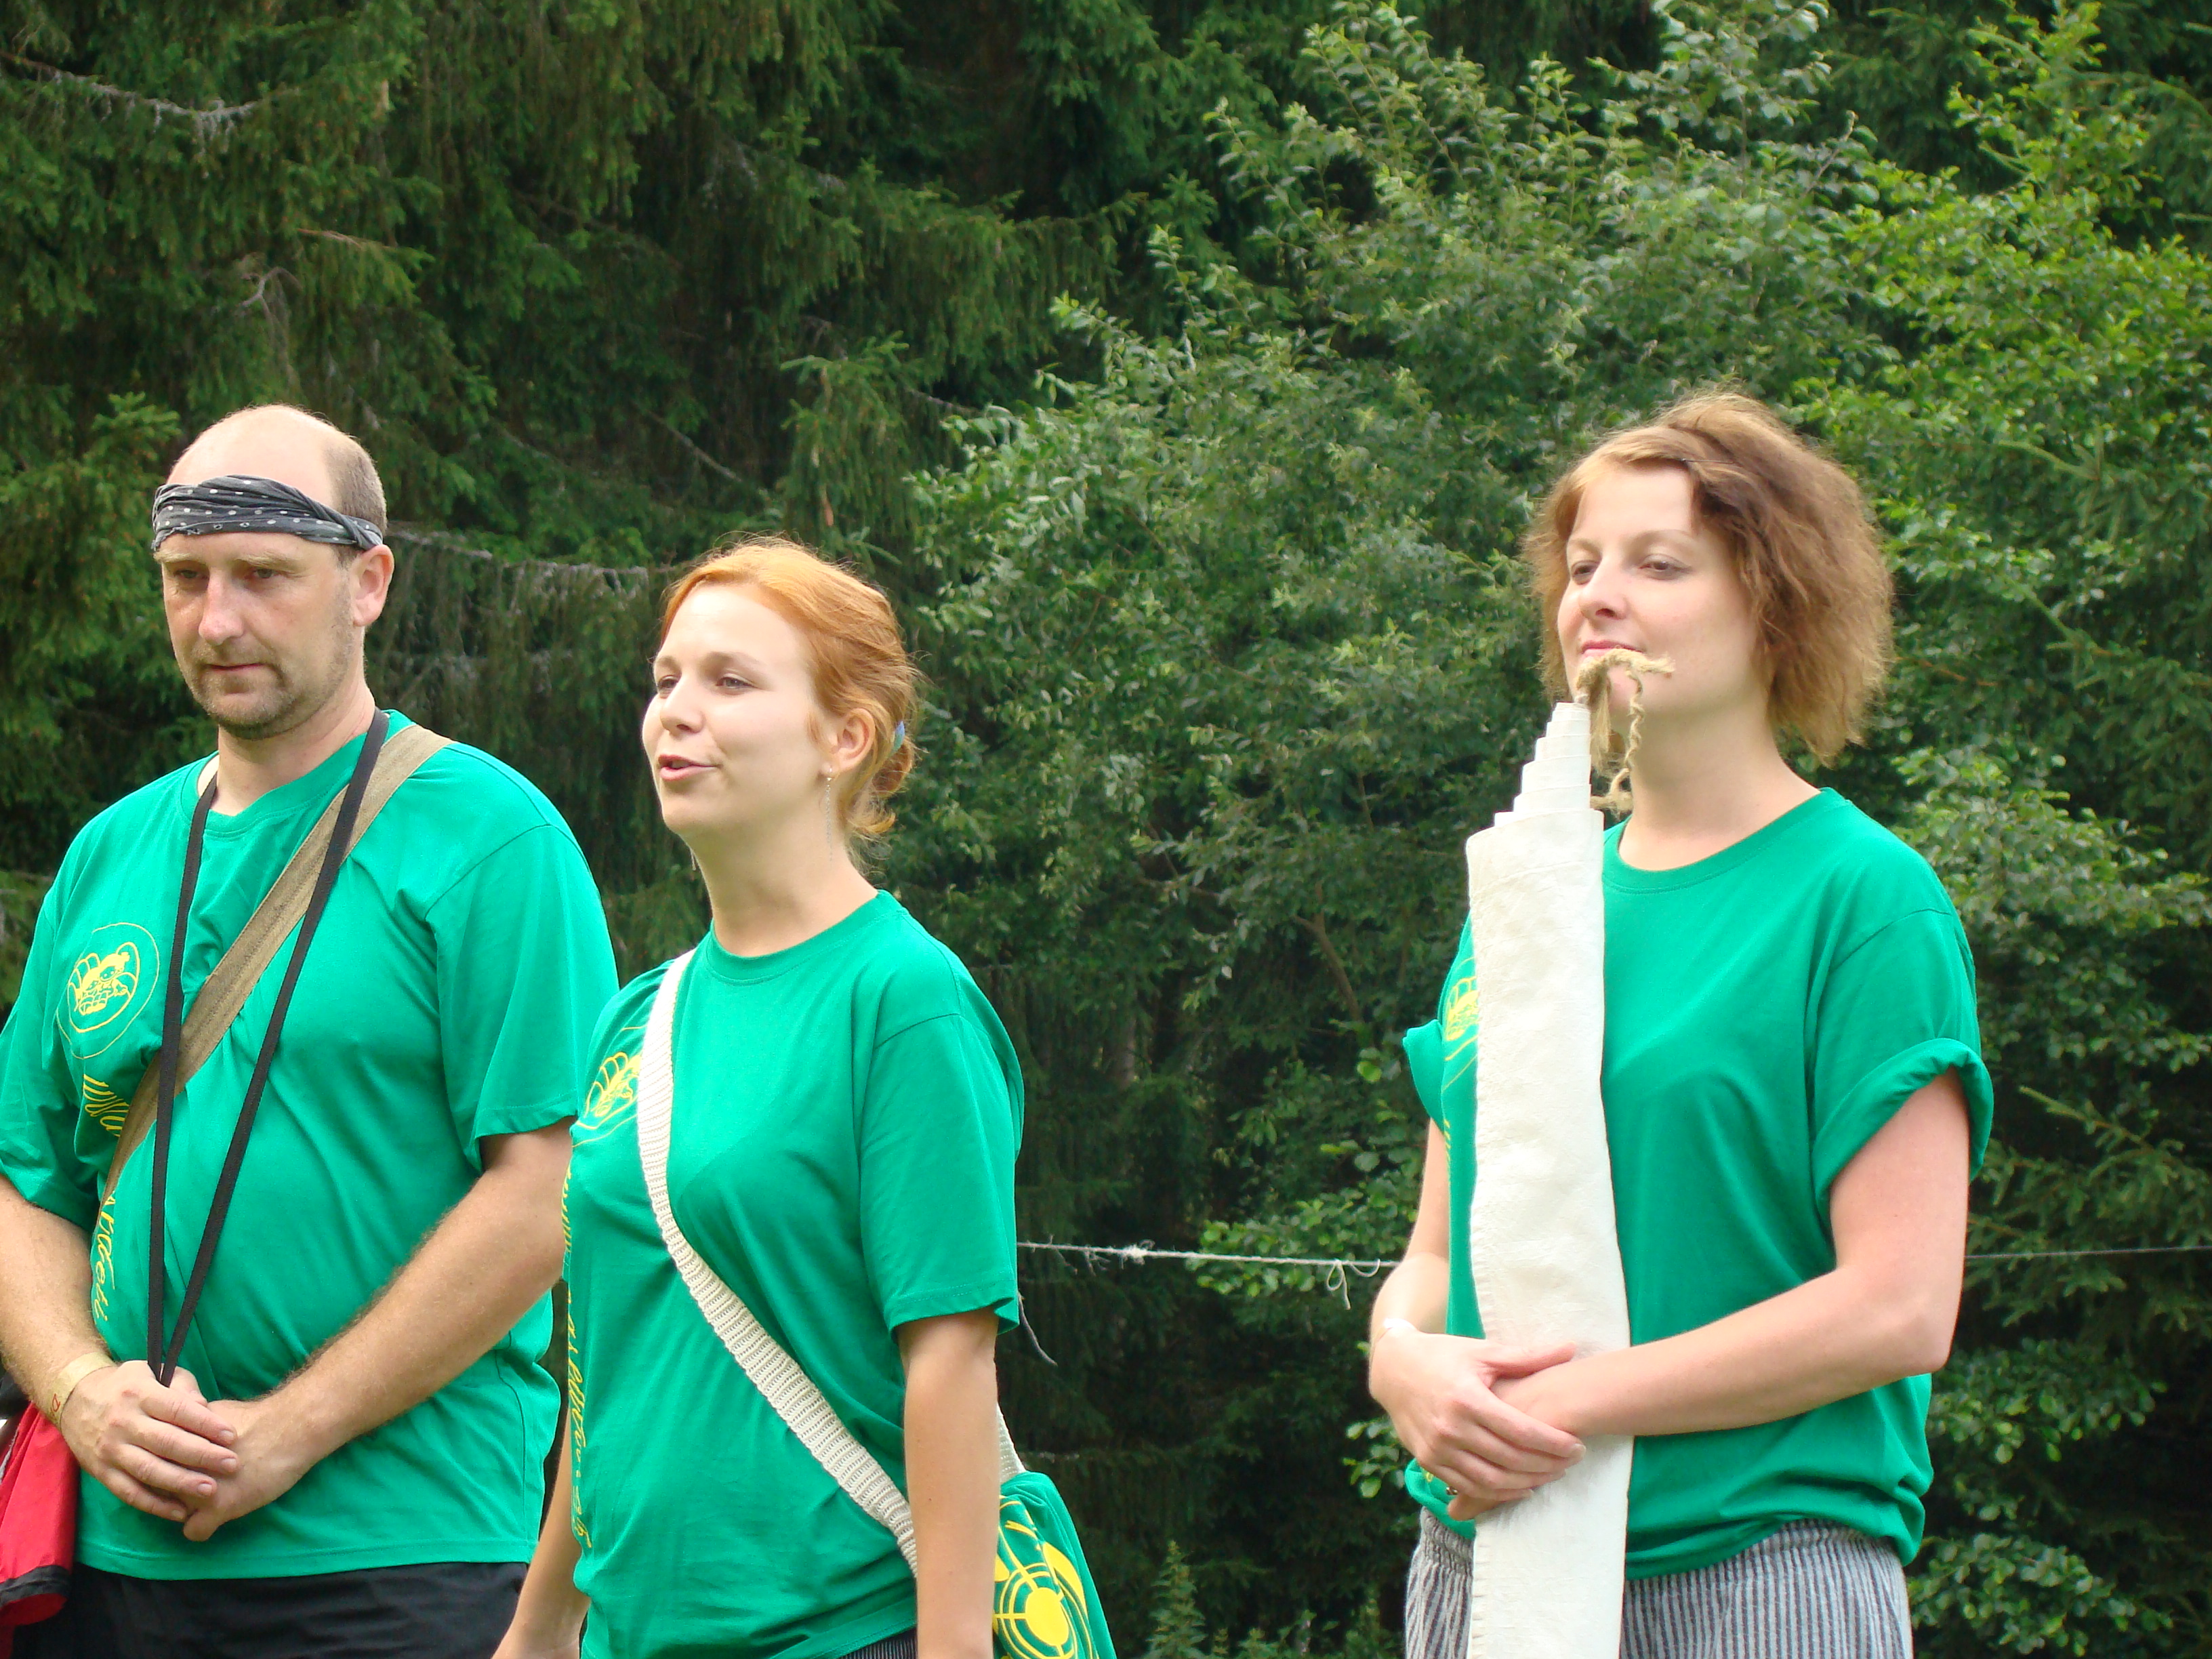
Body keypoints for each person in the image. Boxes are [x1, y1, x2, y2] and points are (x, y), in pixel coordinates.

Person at [1368, 392, 1993, 1657]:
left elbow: (1898, 1306)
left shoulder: (1863, 900)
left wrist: (1571, 1403)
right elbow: (1439, 1256)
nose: (1599, 598)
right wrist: (1400, 1363)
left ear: (1777, 607)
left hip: (1751, 1575)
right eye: (1582, 566)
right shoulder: (1526, 900)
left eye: (1660, 565)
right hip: (1485, 1568)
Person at [0, 405, 617, 1658]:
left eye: (263, 575)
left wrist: (289, 1431)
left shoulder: (490, 839)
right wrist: (80, 1390)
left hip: (403, 1555)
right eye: (187, 578)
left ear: (368, 582)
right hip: (110, 1565)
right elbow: (27, 1185)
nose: (217, 620)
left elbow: (548, 1187)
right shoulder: (109, 856)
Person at [495, 537, 1021, 1659]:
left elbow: (951, 1361)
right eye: (666, 680)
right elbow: (610, 1364)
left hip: (843, 1628)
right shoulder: (636, 1020)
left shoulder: (904, 1001)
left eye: (731, 681)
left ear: (845, 739)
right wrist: (537, 1633)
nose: (677, 712)